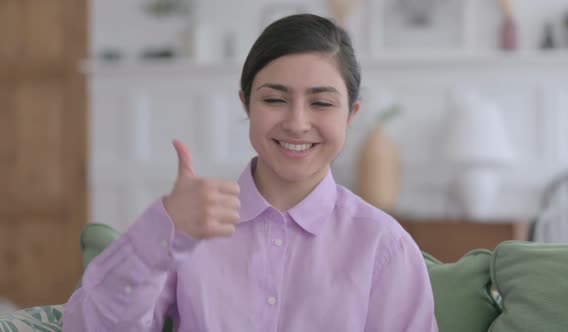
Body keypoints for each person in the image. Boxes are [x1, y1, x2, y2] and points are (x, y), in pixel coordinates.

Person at [63, 14, 438, 332]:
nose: (297, 122)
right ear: (246, 103)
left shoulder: (385, 246)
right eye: (274, 100)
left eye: (321, 103)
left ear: (351, 115)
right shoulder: (189, 227)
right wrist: (160, 230)